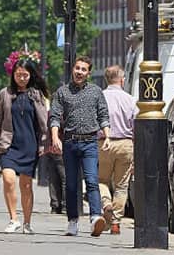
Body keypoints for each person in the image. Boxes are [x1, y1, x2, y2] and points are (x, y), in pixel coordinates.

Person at [49, 55, 111, 237]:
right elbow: (54, 117)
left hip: (90, 142)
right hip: (70, 142)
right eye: (77, 68)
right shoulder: (62, 92)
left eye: (84, 70)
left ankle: (95, 218)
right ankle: (72, 221)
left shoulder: (96, 91)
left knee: (92, 181)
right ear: (73, 69)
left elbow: (103, 115)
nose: (79, 72)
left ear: (89, 73)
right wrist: (55, 137)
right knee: (71, 185)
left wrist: (107, 136)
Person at [0, 58, 49, 234]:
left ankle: (27, 223)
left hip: (29, 145)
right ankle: (14, 219)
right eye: (18, 74)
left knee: (26, 185)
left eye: (25, 75)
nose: (21, 78)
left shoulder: (36, 94)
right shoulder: (4, 94)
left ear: (30, 75)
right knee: (8, 179)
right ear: (13, 75)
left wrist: (46, 142)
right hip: (9, 144)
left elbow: (43, 121)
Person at [97, 65, 137, 235]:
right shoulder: (131, 100)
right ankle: (115, 222)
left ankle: (106, 204)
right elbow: (136, 126)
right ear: (122, 80)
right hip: (125, 144)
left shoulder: (99, 98)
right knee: (121, 185)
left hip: (103, 143)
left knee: (101, 180)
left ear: (106, 79)